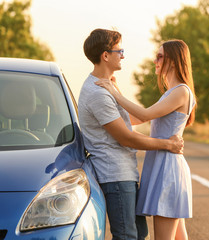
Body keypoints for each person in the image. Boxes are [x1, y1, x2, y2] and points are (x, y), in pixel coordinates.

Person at [78, 29, 184, 240]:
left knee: (138, 234)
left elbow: (134, 118)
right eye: (120, 51)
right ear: (105, 56)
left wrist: (117, 93)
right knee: (127, 236)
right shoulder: (97, 93)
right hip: (115, 175)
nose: (123, 55)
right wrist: (168, 145)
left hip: (124, 173)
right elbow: (127, 137)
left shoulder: (105, 89)